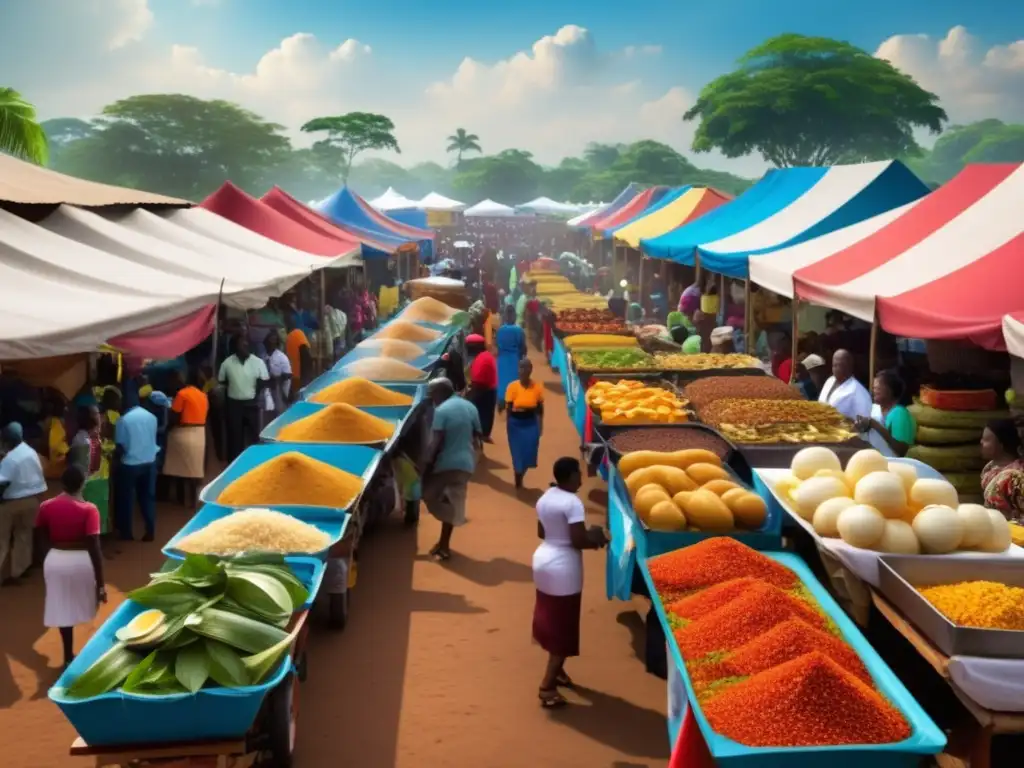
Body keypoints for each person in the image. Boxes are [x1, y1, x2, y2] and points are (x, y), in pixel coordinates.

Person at [532, 457, 608, 708]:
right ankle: (547, 687)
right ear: (570, 477)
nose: (581, 479)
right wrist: (597, 537)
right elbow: (578, 540)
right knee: (563, 628)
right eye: (578, 474)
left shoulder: (546, 497)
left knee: (550, 620)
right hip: (563, 568)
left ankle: (559, 672)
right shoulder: (573, 503)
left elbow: (542, 532)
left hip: (543, 560)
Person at [34, 465, 106, 668]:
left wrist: (48, 556)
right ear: (83, 484)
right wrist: (101, 584)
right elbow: (94, 547)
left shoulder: (46, 506)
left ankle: (67, 655)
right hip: (81, 561)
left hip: (55, 559)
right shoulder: (90, 510)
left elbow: (40, 534)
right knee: (83, 604)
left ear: (63, 484)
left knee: (63, 607)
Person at [421, 378, 482, 562]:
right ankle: (444, 544)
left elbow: (436, 442)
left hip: (445, 465)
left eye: (433, 396)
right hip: (466, 465)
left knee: (428, 494)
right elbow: (478, 435)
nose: (433, 401)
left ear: (441, 393)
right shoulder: (470, 407)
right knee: (450, 500)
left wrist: (426, 464)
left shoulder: (441, 411)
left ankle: (455, 516)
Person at [0, 422, 47, 585]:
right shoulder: (31, 452)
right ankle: (17, 572)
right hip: (32, 501)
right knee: (24, 536)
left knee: (2, 539)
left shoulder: (10, 459)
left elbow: (2, 483)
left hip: (11, 502)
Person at [113, 393, 160, 541]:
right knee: (147, 498)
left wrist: (114, 459)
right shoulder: (151, 417)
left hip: (130, 464)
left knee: (126, 499)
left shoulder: (123, 420)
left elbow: (120, 445)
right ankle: (150, 530)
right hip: (150, 460)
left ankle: (127, 533)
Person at [218, 334, 270, 461]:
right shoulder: (227, 363)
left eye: (247, 343)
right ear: (236, 346)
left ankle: (254, 462)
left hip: (252, 404)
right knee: (235, 437)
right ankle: (234, 463)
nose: (246, 345)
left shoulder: (258, 362)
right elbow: (223, 382)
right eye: (242, 343)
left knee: (254, 435)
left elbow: (263, 382)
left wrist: (254, 395)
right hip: (234, 405)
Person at [164, 370, 209, 509]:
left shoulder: (182, 394)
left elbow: (175, 416)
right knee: (195, 469)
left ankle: (180, 499)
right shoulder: (203, 396)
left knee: (178, 468)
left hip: (183, 432)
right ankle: (195, 499)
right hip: (200, 434)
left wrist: (166, 429)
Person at [855, 370, 917, 457]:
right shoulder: (872, 409)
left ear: (890, 390)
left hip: (894, 465)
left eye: (878, 388)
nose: (874, 391)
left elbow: (901, 450)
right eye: (874, 388)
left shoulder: (899, 413)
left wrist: (875, 425)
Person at [505, 358, 544, 489]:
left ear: (531, 370)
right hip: (515, 425)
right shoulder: (512, 387)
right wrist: (508, 427)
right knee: (517, 454)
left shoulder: (537, 388)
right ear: (518, 370)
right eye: (521, 368)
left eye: (527, 368)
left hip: (531, 424)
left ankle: (521, 473)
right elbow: (509, 409)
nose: (524, 371)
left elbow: (540, 410)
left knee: (530, 453)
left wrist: (540, 427)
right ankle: (518, 477)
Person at [980, 419, 1024, 521]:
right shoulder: (989, 468)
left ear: (1001, 444)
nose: (981, 442)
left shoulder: (1015, 476)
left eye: (986, 439)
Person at [818, 349, 871, 421]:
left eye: (839, 365)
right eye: (834, 365)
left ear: (849, 367)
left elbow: (864, 422)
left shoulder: (858, 392)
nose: (835, 368)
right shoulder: (830, 381)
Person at [495, 305, 527, 413]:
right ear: (514, 316)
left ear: (505, 316)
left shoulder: (500, 330)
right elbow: (523, 347)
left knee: (501, 381)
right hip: (514, 359)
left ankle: (501, 402)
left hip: (502, 360)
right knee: (514, 381)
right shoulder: (519, 330)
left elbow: (497, 345)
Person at [466, 334, 498, 443]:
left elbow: (478, 383)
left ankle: (480, 435)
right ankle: (484, 434)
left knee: (480, 413)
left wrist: (469, 397)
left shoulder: (482, 359)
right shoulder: (485, 355)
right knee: (487, 414)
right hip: (488, 388)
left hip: (484, 389)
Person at [263, 330, 293, 416]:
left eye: (274, 340)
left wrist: (277, 378)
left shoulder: (282, 357)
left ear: (277, 343)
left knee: (279, 414)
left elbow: (289, 375)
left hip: (280, 391)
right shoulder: (263, 356)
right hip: (267, 391)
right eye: (269, 340)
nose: (271, 342)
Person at [285, 314, 313, 394]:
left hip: (300, 375)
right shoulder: (292, 336)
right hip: (297, 375)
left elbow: (306, 355)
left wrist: (306, 376)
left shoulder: (297, 334)